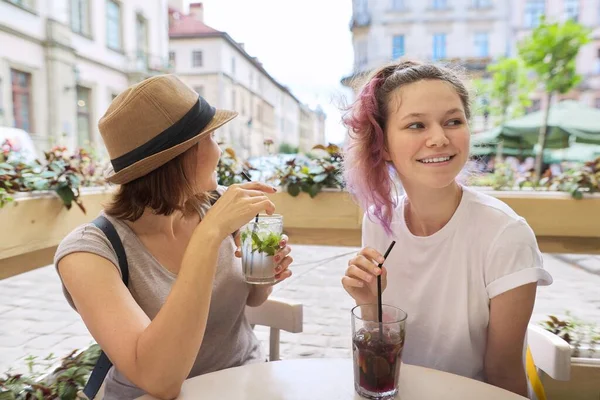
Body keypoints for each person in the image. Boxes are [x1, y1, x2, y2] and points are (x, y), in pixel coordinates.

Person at [54, 75, 293, 400]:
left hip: (243, 383)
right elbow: (160, 381)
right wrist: (208, 237)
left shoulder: (220, 207)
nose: (219, 152)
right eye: (210, 138)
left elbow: (253, 300)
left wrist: (265, 275)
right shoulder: (89, 252)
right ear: (177, 159)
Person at [340, 60, 552, 397]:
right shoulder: (378, 220)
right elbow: (383, 349)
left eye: (453, 121)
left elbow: (503, 372)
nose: (439, 138)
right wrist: (369, 302)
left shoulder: (505, 234)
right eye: (416, 125)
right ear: (383, 146)